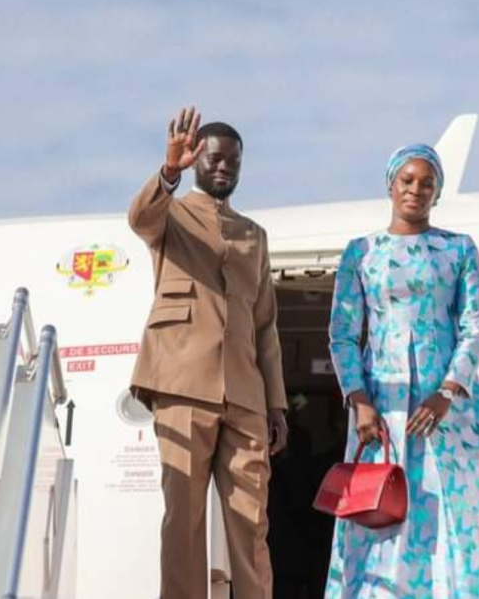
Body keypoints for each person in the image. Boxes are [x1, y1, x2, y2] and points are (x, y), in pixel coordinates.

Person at [324, 144, 479, 599]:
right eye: (407, 180)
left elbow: (477, 324)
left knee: (466, 509)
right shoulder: (361, 252)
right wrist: (359, 401)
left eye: (426, 183)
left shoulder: (458, 248)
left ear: (437, 192)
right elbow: (342, 335)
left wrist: (448, 391)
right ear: (390, 184)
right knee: (382, 508)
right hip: (383, 412)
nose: (416, 189)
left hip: (448, 407)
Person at [128, 105, 288, 599]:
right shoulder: (170, 216)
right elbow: (139, 218)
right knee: (184, 518)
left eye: (233, 160)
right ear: (197, 159)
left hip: (244, 394)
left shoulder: (253, 235)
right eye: (214, 157)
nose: (223, 167)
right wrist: (168, 171)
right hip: (181, 382)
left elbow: (266, 326)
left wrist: (276, 403)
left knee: (250, 520)